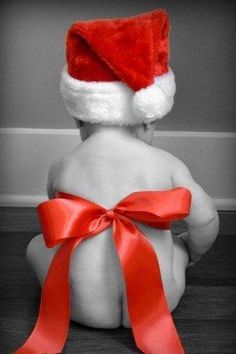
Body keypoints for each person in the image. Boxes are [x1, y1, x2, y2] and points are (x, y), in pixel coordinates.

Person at [22, 9, 219, 354]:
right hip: (158, 300)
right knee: (174, 251)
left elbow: (58, 222)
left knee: (37, 245)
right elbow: (205, 220)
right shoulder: (168, 165)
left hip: (78, 306)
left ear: (79, 119)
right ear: (147, 120)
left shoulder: (62, 165)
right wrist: (190, 250)